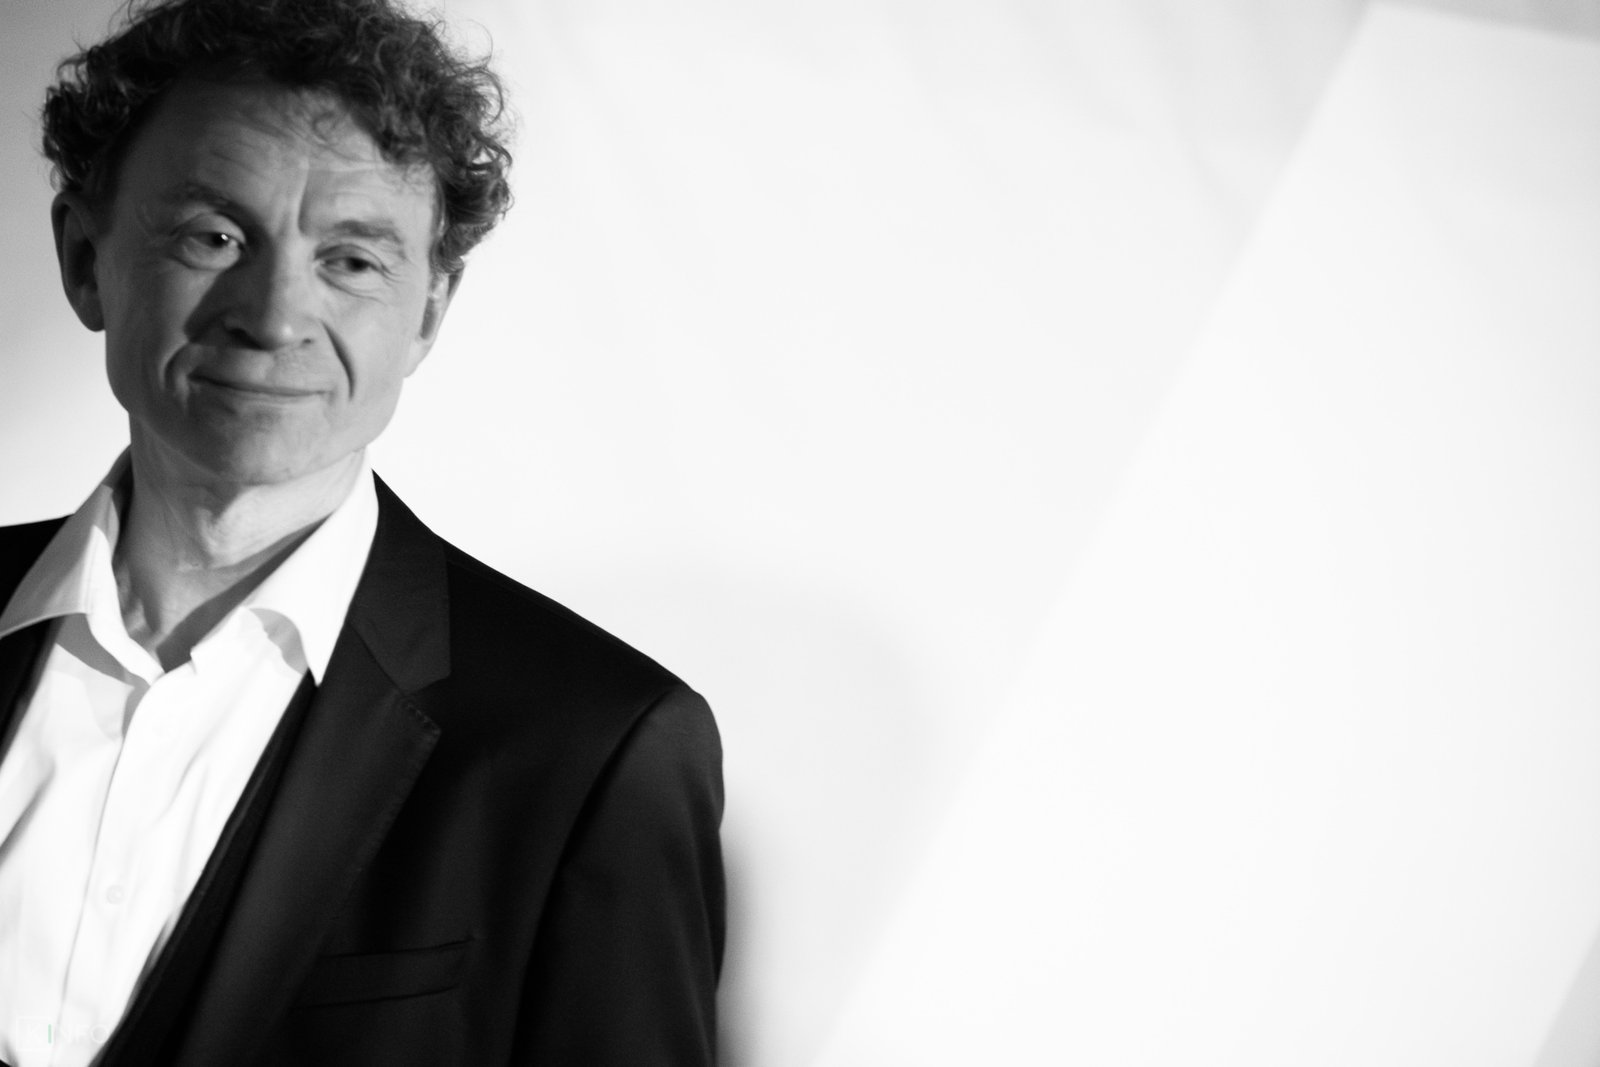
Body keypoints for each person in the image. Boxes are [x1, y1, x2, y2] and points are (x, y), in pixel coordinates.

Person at [0, 0, 725, 1064]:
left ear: (429, 309)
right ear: (81, 259)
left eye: (350, 260)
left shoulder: (592, 747)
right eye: (214, 236)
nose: (274, 316)